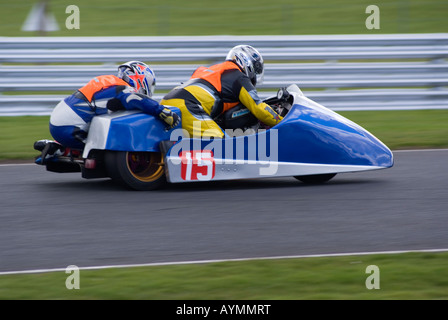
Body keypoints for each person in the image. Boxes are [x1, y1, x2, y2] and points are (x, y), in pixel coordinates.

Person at [34, 61, 180, 159]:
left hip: (59, 120)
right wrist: (162, 111)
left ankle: (57, 146)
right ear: (140, 78)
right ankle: (63, 148)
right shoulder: (123, 89)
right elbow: (135, 99)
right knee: (107, 153)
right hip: (70, 127)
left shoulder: (109, 83)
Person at [160, 45, 283, 138]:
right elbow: (259, 108)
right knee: (223, 148)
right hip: (188, 106)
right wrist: (282, 121)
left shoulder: (213, 70)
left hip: (167, 102)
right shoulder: (238, 76)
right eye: (256, 68)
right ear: (246, 62)